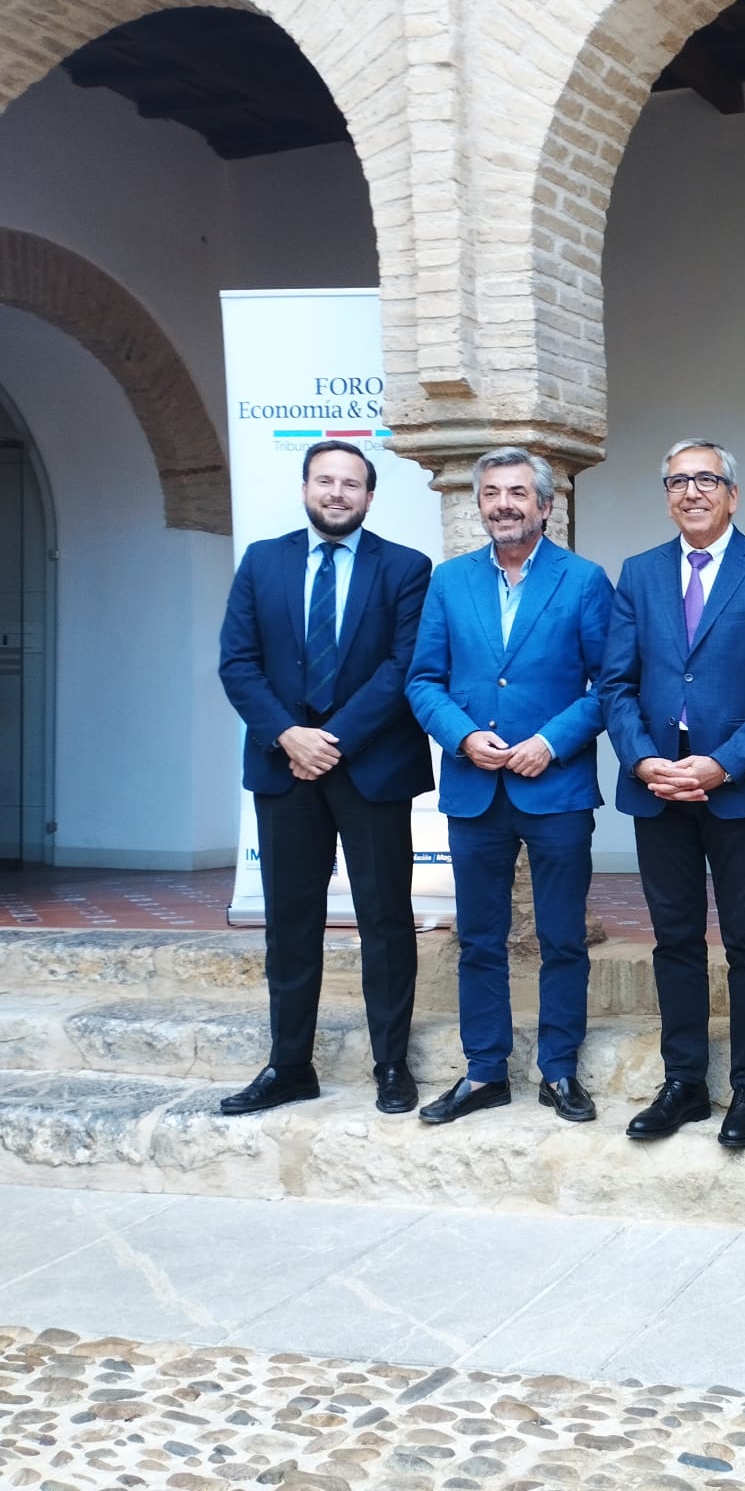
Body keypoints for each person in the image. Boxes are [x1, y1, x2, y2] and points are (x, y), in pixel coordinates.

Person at [216, 439, 433, 1117]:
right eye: (325, 481)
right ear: (305, 487)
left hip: (370, 768)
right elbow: (237, 663)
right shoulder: (262, 562)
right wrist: (289, 735)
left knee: (387, 920)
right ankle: (289, 1066)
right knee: (290, 922)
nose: (336, 493)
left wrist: (330, 740)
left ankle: (391, 1065)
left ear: (370, 496)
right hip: (285, 769)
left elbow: (403, 667)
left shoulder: (405, 567)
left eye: (351, 484)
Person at [600, 440, 745, 1149]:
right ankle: (683, 1082)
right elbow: (616, 684)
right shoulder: (639, 573)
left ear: (732, 494)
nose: (692, 491)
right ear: (667, 495)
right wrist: (645, 760)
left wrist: (722, 764)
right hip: (659, 786)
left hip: (737, 787)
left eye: (706, 479)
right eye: (678, 480)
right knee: (674, 938)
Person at [405, 447, 613, 1125]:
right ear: (480, 505)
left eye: (518, 493)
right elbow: (423, 680)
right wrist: (463, 736)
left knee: (561, 938)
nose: (503, 504)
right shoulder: (449, 581)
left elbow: (610, 685)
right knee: (481, 940)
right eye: (492, 493)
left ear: (546, 506)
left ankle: (558, 1071)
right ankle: (485, 1071)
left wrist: (551, 741)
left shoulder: (583, 581)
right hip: (474, 787)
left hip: (554, 789)